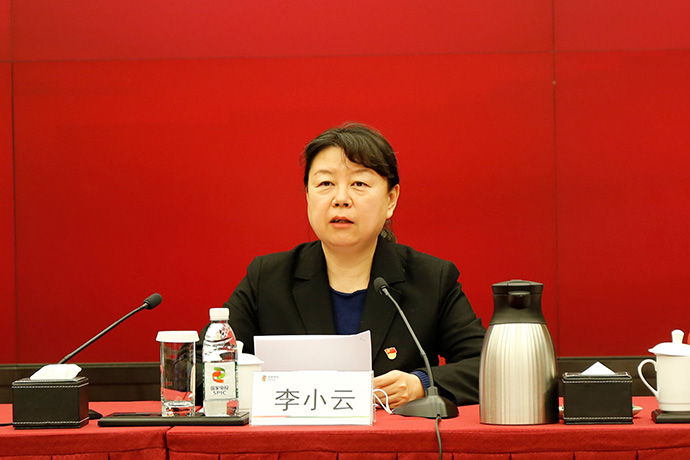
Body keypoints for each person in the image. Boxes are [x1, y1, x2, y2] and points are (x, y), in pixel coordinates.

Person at [222, 123, 486, 408]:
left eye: (359, 184)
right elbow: (207, 366)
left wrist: (421, 384)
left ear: (391, 199)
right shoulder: (268, 278)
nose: (341, 199)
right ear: (308, 196)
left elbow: (486, 366)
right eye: (325, 184)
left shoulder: (430, 278)